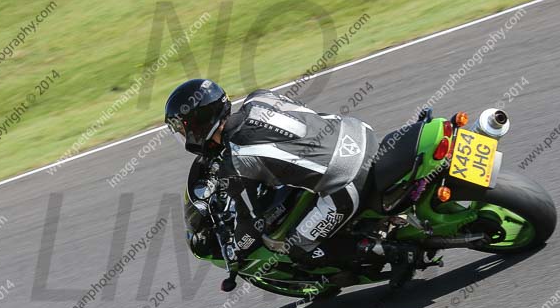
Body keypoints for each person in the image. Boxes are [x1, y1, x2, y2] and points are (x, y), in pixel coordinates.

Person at [164, 78, 416, 282]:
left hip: (348, 182)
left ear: (199, 124)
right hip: (358, 133)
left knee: (298, 248)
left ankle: (395, 255)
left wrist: (235, 252)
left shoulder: (236, 162)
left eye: (184, 129)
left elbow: (252, 226)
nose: (184, 136)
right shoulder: (258, 98)